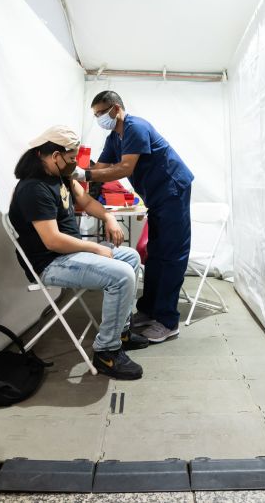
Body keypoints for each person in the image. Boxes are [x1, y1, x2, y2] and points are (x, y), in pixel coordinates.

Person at [8, 125, 148, 380]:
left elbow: (85, 201)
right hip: (51, 262)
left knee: (131, 257)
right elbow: (52, 241)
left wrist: (108, 217)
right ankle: (107, 351)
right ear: (54, 156)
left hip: (69, 255)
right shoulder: (33, 188)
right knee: (122, 276)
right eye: (71, 158)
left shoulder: (61, 177)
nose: (75, 164)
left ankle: (121, 332)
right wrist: (95, 247)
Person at [83, 91, 193, 343]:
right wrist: (78, 169)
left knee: (171, 255)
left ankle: (167, 322)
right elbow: (100, 167)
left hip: (173, 190)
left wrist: (85, 177)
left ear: (116, 109)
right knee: (154, 253)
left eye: (101, 113)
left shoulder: (136, 127)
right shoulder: (115, 137)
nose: (99, 118)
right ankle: (149, 310)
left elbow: (124, 168)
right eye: (96, 115)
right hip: (156, 196)